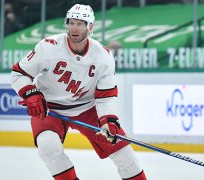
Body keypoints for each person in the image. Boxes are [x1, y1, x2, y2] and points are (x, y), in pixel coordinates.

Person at [11, 4, 147, 180]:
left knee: (125, 156)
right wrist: (30, 93)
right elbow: (19, 73)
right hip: (50, 109)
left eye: (81, 24)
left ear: (91, 27)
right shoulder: (48, 47)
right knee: (48, 147)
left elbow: (105, 97)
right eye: (71, 23)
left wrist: (108, 122)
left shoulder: (103, 57)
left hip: (88, 109)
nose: (74, 28)